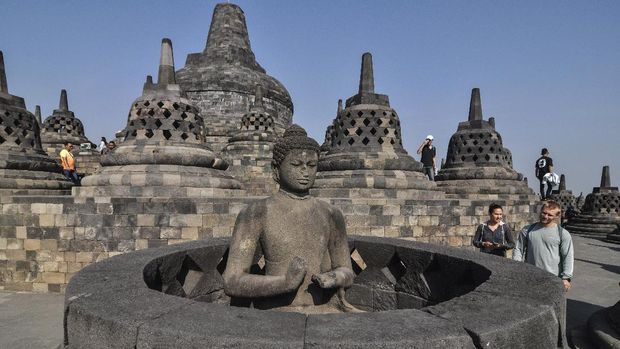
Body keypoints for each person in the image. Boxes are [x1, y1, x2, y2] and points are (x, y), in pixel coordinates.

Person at [223, 125, 359, 313]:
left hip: (323, 310)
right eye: (296, 165)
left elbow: (347, 271)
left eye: (311, 166)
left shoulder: (330, 213)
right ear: (276, 169)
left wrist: (334, 278)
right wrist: (284, 283)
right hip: (276, 312)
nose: (305, 172)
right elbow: (232, 281)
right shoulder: (256, 212)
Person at [513, 200, 574, 291]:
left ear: (557, 216)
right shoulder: (527, 230)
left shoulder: (562, 234)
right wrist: (517, 266)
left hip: (553, 277)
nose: (545, 216)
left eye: (550, 215)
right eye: (544, 213)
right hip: (531, 275)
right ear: (540, 211)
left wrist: (566, 277)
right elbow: (518, 249)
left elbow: (568, 256)